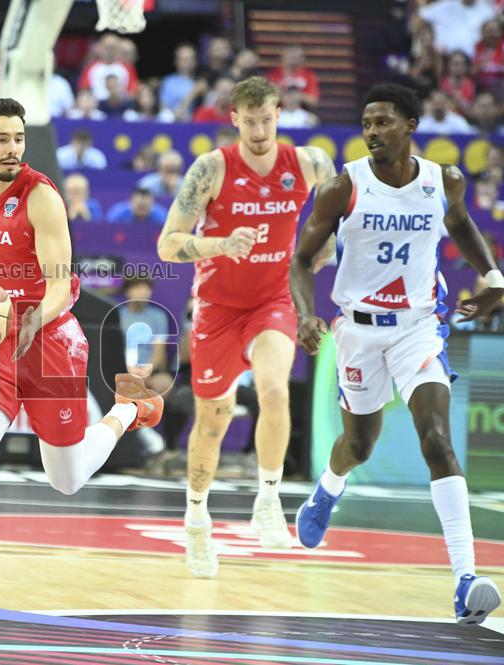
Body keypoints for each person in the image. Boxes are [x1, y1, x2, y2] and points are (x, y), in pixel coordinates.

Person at [0, 98, 163, 639]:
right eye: (1, 138)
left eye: (18, 137)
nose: (13, 148)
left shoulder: (41, 196)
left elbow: (63, 283)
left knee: (65, 480)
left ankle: (125, 410)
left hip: (49, 343)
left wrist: (29, 319)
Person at [290, 82, 502, 626]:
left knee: (436, 439)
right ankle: (327, 491)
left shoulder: (443, 180)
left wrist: (494, 276)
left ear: (410, 126)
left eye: (383, 122)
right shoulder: (342, 188)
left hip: (417, 328)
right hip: (358, 332)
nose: (371, 132)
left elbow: (461, 226)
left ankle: (465, 578)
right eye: (366, 123)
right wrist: (305, 315)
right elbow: (302, 260)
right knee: (359, 446)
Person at [156, 76, 337, 578]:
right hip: (216, 308)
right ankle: (196, 520)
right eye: (249, 121)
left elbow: (342, 207)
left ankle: (269, 500)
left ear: (280, 114)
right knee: (213, 419)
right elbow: (167, 244)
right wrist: (220, 244)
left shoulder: (309, 163)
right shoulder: (211, 169)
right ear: (234, 118)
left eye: (267, 119)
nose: (259, 130)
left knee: (274, 389)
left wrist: (325, 243)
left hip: (273, 300)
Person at [119, 277, 175, 455]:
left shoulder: (158, 316)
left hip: (151, 370)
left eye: (146, 289)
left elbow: (159, 349)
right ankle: (141, 436)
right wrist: (129, 370)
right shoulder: (117, 315)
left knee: (164, 383)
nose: (143, 293)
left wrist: (148, 369)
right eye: (138, 289)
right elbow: (113, 347)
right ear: (128, 291)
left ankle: (152, 434)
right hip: (122, 369)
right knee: (127, 386)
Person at [265, 44, 320, 109]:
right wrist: (283, 96)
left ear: (302, 59)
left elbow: (313, 101)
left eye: (297, 57)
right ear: (282, 58)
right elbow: (266, 99)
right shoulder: (273, 75)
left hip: (302, 113)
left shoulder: (309, 76)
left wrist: (298, 96)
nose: (294, 61)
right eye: (291, 57)